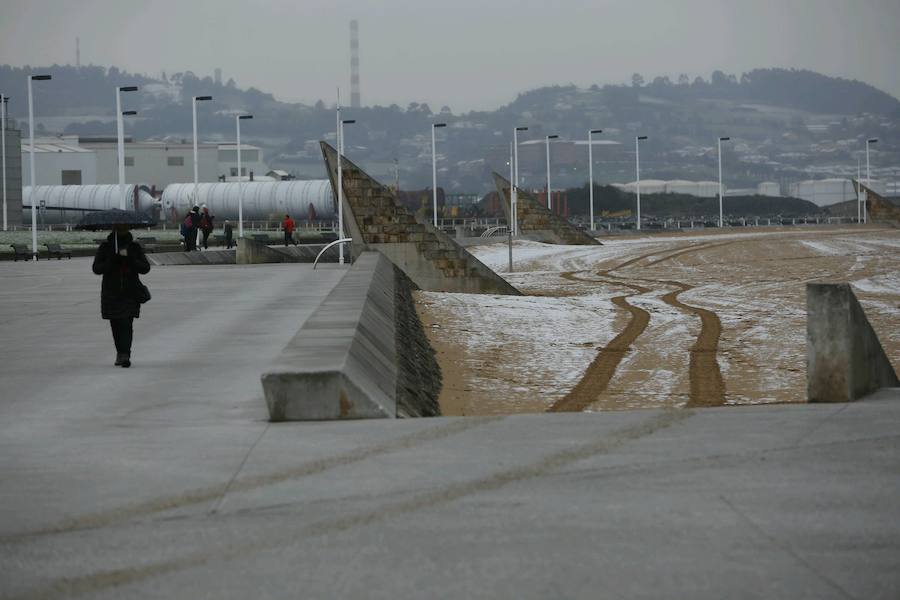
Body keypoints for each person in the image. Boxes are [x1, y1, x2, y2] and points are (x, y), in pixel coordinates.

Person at [92, 224, 151, 368]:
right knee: (116, 325)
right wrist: (111, 261)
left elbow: (145, 268)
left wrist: (130, 259)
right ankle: (120, 352)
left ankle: (125, 354)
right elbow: (96, 268)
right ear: (114, 230)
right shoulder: (106, 247)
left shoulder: (134, 247)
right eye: (119, 228)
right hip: (111, 293)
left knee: (126, 323)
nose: (122, 230)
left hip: (130, 292)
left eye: (124, 228)